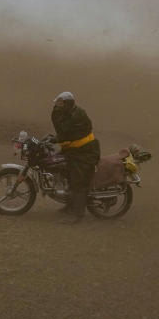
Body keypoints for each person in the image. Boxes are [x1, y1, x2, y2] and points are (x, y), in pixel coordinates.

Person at [50, 91, 101, 221]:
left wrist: (55, 139)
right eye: (57, 103)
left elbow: (63, 132)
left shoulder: (77, 115)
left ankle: (78, 214)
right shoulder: (69, 113)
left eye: (61, 103)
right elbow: (61, 131)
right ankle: (70, 204)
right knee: (61, 169)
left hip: (85, 151)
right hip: (75, 149)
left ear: (68, 103)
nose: (58, 106)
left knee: (77, 181)